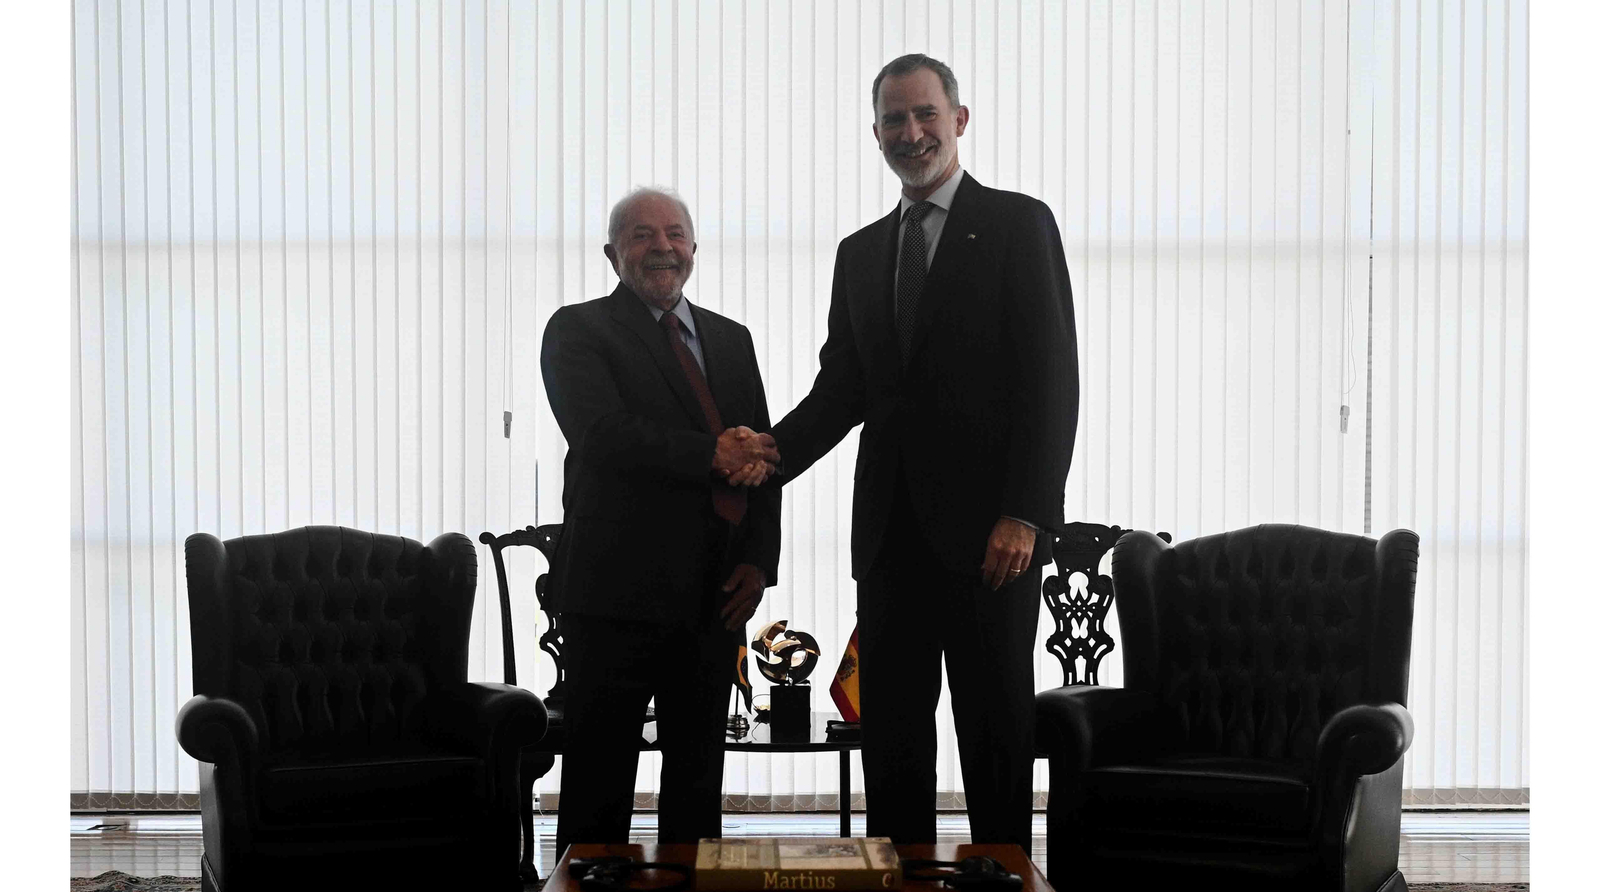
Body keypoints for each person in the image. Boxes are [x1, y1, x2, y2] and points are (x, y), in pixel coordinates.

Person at [768, 54, 1079, 849]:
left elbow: (1051, 380)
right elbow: (843, 390)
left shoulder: (1018, 224)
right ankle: (897, 877)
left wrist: (1026, 513)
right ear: (875, 134)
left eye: (925, 114)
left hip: (991, 541)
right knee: (893, 741)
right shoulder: (860, 252)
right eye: (894, 120)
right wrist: (765, 456)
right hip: (889, 540)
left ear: (958, 120)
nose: (911, 133)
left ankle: (1005, 873)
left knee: (994, 734)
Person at [540, 187, 782, 857]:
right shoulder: (578, 329)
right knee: (598, 783)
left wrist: (759, 561)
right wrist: (712, 454)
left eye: (675, 233)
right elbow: (601, 435)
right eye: (642, 235)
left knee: (697, 787)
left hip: (714, 594)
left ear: (694, 248)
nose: (662, 247)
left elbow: (761, 456)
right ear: (612, 253)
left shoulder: (732, 339)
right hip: (614, 595)